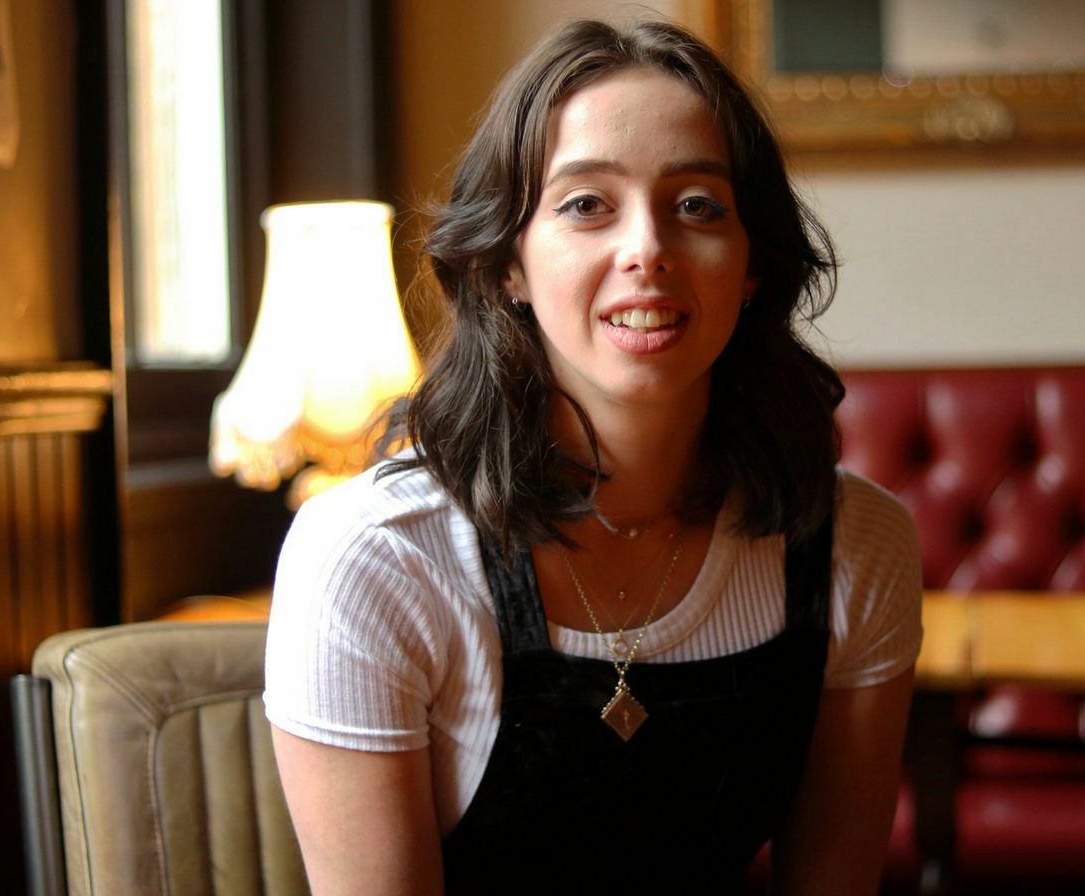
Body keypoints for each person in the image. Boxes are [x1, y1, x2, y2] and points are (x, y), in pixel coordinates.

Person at [265, 17, 921, 896]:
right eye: (586, 205)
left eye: (697, 205)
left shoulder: (854, 544)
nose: (646, 248)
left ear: (752, 266)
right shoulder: (376, 558)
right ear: (508, 263)